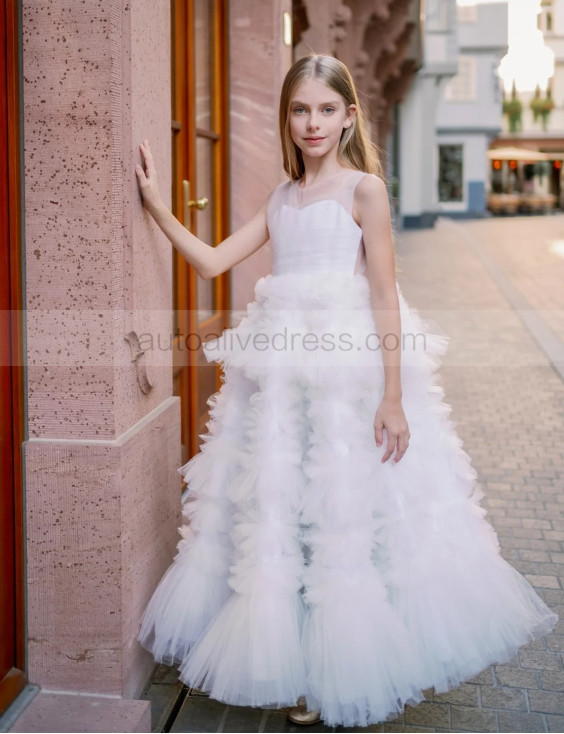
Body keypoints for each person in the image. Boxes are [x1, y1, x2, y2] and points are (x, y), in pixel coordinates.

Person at [134, 54, 558, 729]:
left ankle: (347, 664)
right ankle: (301, 661)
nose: (312, 123)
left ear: (349, 115)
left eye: (326, 109)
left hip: (347, 377)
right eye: (300, 110)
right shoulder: (281, 198)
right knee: (283, 508)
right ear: (287, 117)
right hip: (280, 380)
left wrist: (392, 395)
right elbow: (214, 261)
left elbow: (385, 293)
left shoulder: (365, 191)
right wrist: (156, 204)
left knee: (346, 512)